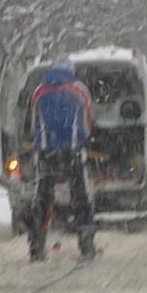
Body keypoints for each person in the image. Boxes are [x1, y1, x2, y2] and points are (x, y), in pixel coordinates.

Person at [28, 61, 96, 263]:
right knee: (81, 197)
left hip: (46, 152)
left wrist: (43, 141)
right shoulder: (79, 90)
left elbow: (33, 124)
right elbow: (88, 122)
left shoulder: (39, 91)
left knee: (42, 198)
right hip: (73, 151)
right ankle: (86, 245)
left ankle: (36, 246)